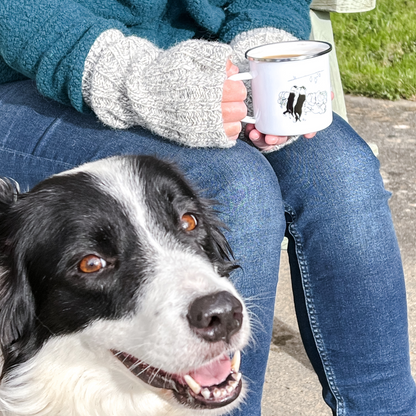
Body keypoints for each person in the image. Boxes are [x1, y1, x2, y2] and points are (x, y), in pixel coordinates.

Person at [0, 0, 415, 415]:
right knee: (237, 183)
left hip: (208, 65)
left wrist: (263, 49)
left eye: (187, 223)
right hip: (34, 65)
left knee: (339, 170)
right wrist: (137, 80)